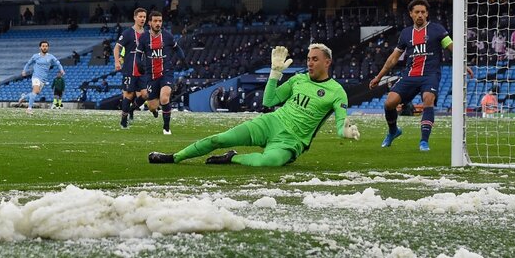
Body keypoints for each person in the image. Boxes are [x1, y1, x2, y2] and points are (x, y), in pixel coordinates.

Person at [149, 44, 359, 166]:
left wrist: (345, 132)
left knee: (267, 162)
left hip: (291, 141)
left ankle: (232, 158)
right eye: (308, 59)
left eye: (314, 59)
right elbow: (269, 101)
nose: (309, 63)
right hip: (270, 122)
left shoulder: (336, 92)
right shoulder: (298, 79)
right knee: (219, 138)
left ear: (327, 63)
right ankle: (174, 157)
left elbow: (341, 125)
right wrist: (274, 73)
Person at [369, 0, 471, 151]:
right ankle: (393, 131)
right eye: (417, 12)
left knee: (428, 99)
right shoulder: (405, 33)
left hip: (430, 74)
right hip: (410, 75)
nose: (420, 15)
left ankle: (424, 142)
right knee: (389, 103)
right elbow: (393, 58)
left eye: (423, 12)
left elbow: (452, 47)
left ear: (427, 14)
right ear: (411, 14)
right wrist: (378, 77)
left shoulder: (437, 30)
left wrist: (464, 64)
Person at [137, 11, 188, 135]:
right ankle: (154, 110)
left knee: (164, 98)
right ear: (149, 23)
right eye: (155, 21)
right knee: (152, 106)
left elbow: (177, 48)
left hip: (166, 73)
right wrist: (139, 65)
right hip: (151, 75)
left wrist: (183, 59)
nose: (158, 23)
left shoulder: (167, 36)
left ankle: (166, 127)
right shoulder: (144, 38)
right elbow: (138, 55)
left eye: (160, 21)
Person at [114, 7, 149, 129]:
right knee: (128, 95)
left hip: (143, 69)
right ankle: (123, 119)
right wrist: (117, 62)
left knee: (145, 95)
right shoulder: (128, 33)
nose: (142, 19)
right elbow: (117, 47)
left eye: (144, 17)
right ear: (135, 17)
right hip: (129, 68)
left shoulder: (147, 34)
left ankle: (131, 109)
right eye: (140, 16)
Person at [21, 40, 64, 114]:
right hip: (36, 77)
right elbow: (28, 63)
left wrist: (62, 70)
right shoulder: (35, 56)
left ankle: (24, 96)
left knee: (36, 92)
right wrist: (24, 71)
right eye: (43, 46)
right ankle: (29, 108)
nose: (45, 47)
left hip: (43, 79)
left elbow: (58, 63)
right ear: (40, 47)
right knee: (35, 90)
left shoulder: (51, 57)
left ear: (48, 47)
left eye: (46, 46)